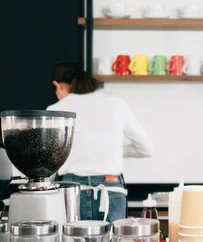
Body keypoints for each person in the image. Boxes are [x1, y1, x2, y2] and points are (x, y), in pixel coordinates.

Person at [47, 62, 154, 223]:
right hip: (111, 189)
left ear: (58, 85)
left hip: (72, 192)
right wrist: (112, 149)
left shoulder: (55, 110)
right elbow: (147, 149)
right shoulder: (116, 104)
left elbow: (50, 156)